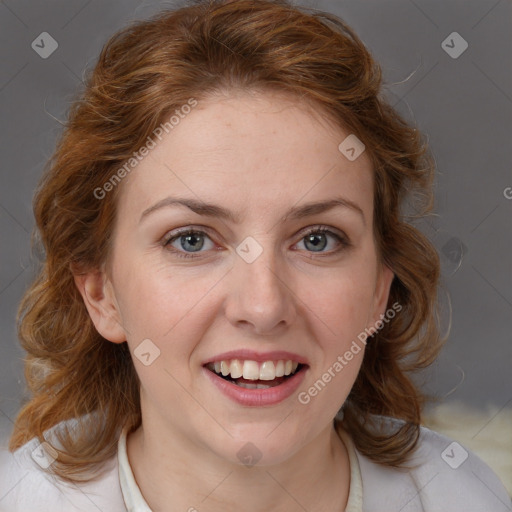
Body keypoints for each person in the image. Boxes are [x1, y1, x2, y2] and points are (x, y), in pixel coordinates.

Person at [0, 0, 510, 511]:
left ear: (380, 290)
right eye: (192, 240)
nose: (263, 307)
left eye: (317, 239)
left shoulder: (463, 497)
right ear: (101, 292)